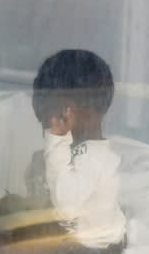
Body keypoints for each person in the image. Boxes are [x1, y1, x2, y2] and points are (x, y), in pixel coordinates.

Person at [31, 49, 126, 252]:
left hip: (92, 248)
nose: (48, 131)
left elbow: (66, 205)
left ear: (68, 113)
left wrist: (56, 140)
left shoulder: (95, 158)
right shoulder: (82, 150)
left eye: (51, 121)